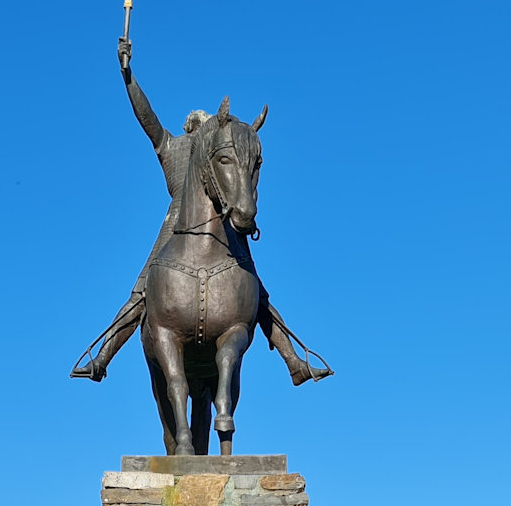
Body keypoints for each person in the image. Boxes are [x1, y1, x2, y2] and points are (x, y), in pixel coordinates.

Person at [72, 38, 332, 385]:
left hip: (224, 226)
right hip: (177, 228)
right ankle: (103, 357)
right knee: (143, 291)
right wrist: (127, 74)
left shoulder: (217, 150)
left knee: (255, 292)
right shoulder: (172, 147)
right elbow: (146, 116)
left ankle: (294, 362)